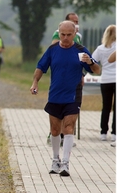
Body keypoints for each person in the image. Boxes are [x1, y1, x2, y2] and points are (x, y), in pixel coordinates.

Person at [30, 20, 101, 177]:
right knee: (55, 130)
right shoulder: (52, 50)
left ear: (75, 34)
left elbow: (96, 70)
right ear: (58, 33)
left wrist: (89, 62)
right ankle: (55, 160)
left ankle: (65, 163)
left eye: (69, 35)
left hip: (73, 95)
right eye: (63, 34)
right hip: (55, 94)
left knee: (68, 127)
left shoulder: (81, 51)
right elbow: (41, 67)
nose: (66, 37)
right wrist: (35, 82)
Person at [47, 12, 84, 147]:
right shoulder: (59, 34)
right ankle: (55, 134)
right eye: (73, 21)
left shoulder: (78, 36)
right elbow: (56, 49)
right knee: (57, 109)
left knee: (70, 109)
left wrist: (82, 74)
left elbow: (80, 57)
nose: (76, 23)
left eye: (77, 21)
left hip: (74, 78)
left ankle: (66, 134)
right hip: (61, 76)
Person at [92, 25, 116, 142]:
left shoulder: (100, 48)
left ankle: (103, 132)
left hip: (105, 79)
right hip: (115, 78)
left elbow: (93, 60)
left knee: (105, 106)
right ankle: (114, 132)